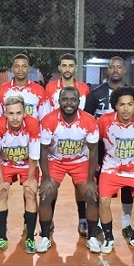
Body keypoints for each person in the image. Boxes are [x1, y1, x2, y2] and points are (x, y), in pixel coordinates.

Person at [37, 86, 99, 253]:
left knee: (91, 195)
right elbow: (43, 150)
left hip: (79, 161)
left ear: (79, 102)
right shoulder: (49, 120)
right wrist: (46, 178)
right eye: (65, 99)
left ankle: (92, 237)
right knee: (45, 194)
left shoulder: (88, 120)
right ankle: (44, 236)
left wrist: (90, 179)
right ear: (59, 101)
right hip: (55, 160)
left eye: (73, 99)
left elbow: (93, 150)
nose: (69, 103)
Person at [96, 86, 134, 255]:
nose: (126, 108)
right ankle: (109, 238)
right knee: (104, 201)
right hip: (111, 167)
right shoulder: (105, 121)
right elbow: (93, 142)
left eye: (130, 104)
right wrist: (94, 166)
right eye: (122, 104)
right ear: (115, 106)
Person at [84, 56, 133, 238]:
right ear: (108, 70)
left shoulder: (132, 93)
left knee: (127, 186)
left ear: (124, 70)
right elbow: (86, 119)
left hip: (126, 148)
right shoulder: (96, 94)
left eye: (119, 67)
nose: (115, 70)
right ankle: (96, 223)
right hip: (101, 149)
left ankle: (127, 224)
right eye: (112, 67)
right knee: (99, 187)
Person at [45, 53, 92, 236]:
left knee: (79, 184)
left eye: (70, 66)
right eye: (64, 65)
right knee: (51, 185)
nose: (67, 69)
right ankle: (49, 221)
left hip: (77, 142)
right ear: (59, 68)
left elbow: (86, 113)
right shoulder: (49, 87)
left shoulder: (84, 88)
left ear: (75, 68)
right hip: (55, 141)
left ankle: (83, 220)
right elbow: (45, 111)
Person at [0, 95, 40, 254]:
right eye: (11, 114)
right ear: (5, 114)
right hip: (6, 163)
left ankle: (30, 236)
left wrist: (31, 179)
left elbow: (34, 155)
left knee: (30, 193)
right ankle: (3, 237)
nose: (15, 117)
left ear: (25, 113)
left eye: (18, 113)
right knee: (1, 192)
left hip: (27, 163)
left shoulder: (32, 124)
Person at [0, 53, 51, 121]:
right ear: (12, 69)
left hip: (32, 131)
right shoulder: (3, 89)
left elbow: (45, 119)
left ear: (29, 69)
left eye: (24, 66)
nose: (20, 69)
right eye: (17, 66)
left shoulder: (39, 90)